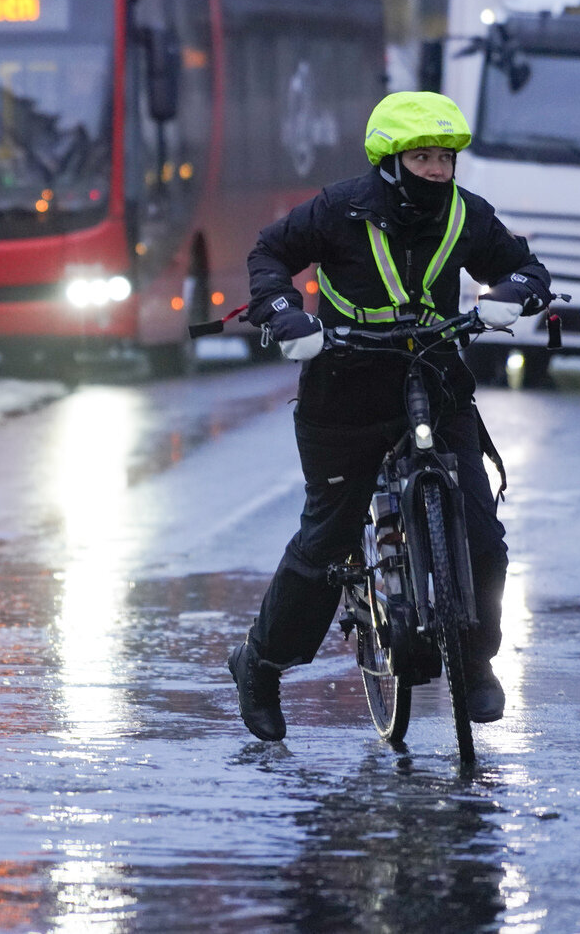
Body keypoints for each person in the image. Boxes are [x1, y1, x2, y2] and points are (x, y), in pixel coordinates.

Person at [226, 91, 552, 741]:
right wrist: (283, 313)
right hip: (345, 384)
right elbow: (268, 254)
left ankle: (477, 659)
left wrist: (512, 295)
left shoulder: (465, 215)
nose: (437, 169)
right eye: (424, 156)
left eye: (445, 157)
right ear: (392, 160)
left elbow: (526, 267)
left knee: (483, 536)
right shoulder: (338, 209)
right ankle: (260, 663)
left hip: (434, 382)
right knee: (328, 541)